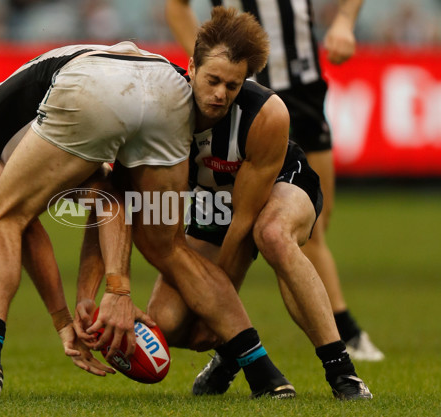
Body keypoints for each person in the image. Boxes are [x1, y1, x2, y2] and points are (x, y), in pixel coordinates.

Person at [0, 40, 292, 399]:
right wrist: (114, 290)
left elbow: (22, 223)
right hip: (164, 83)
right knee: (171, 247)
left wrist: (63, 320)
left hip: (94, 83)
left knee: (5, 216)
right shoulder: (43, 144)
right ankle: (262, 371)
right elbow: (109, 199)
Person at [75, 8, 371, 400]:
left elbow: (245, 223)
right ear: (191, 66)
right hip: (214, 203)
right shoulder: (154, 112)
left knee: (273, 236)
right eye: (212, 80)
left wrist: (221, 320)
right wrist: (101, 293)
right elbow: (115, 205)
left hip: (282, 186)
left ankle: (342, 373)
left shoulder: (266, 114)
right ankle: (233, 356)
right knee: (168, 322)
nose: (220, 95)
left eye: (232, 86)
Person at [165, 0, 383, 362]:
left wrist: (345, 21)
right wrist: (213, 71)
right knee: (273, 231)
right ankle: (343, 332)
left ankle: (235, 341)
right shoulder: (224, 88)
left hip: (302, 85)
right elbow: (177, 6)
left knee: (313, 225)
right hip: (245, 100)